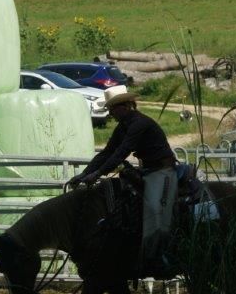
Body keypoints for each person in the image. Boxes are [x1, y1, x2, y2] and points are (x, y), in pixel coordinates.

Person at [68, 85, 177, 267]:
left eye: (113, 108)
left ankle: (161, 253)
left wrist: (96, 174)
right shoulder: (124, 126)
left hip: (162, 170)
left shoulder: (138, 124)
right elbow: (107, 153)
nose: (110, 113)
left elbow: (121, 153)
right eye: (109, 109)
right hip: (148, 170)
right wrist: (84, 174)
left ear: (125, 106)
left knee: (154, 205)